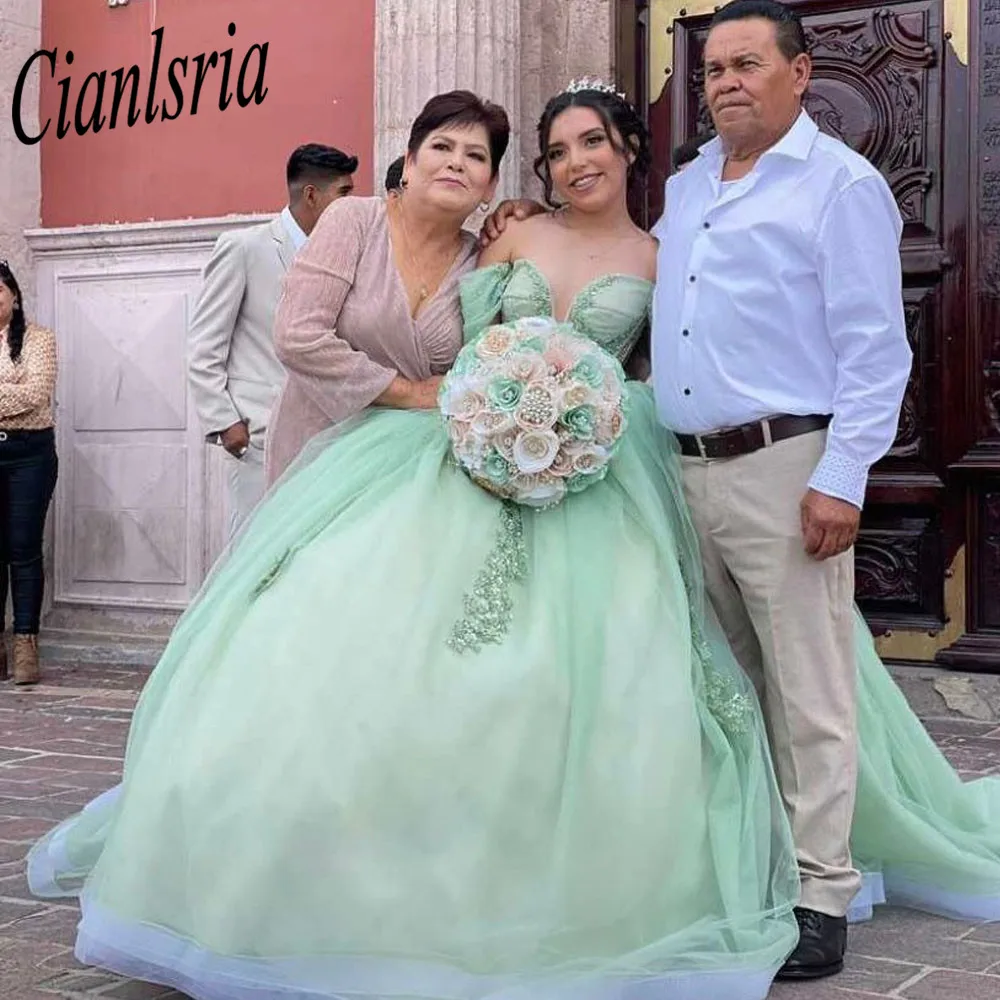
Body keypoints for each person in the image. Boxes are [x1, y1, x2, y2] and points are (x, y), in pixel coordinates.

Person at [25, 81, 1000, 1000]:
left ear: (626, 153)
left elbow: (697, 359)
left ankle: (701, 865)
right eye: (553, 149)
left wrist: (630, 419)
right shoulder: (508, 232)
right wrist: (492, 398)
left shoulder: (667, 252)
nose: (574, 161)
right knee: (390, 664)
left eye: (592, 144)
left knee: (613, 677)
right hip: (452, 460)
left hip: (602, 479)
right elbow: (435, 329)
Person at [187, 143, 358, 538]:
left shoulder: (349, 255)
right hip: (259, 436)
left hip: (329, 439)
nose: (351, 206)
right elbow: (203, 345)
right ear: (312, 195)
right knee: (251, 556)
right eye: (344, 194)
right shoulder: (245, 247)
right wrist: (225, 421)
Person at [0, 261, 58, 687]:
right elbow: (22, 394)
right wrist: (12, 394)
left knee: (22, 547)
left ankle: (25, 643)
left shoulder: (39, 340)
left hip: (29, 454)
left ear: (13, 296)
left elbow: (38, 394)